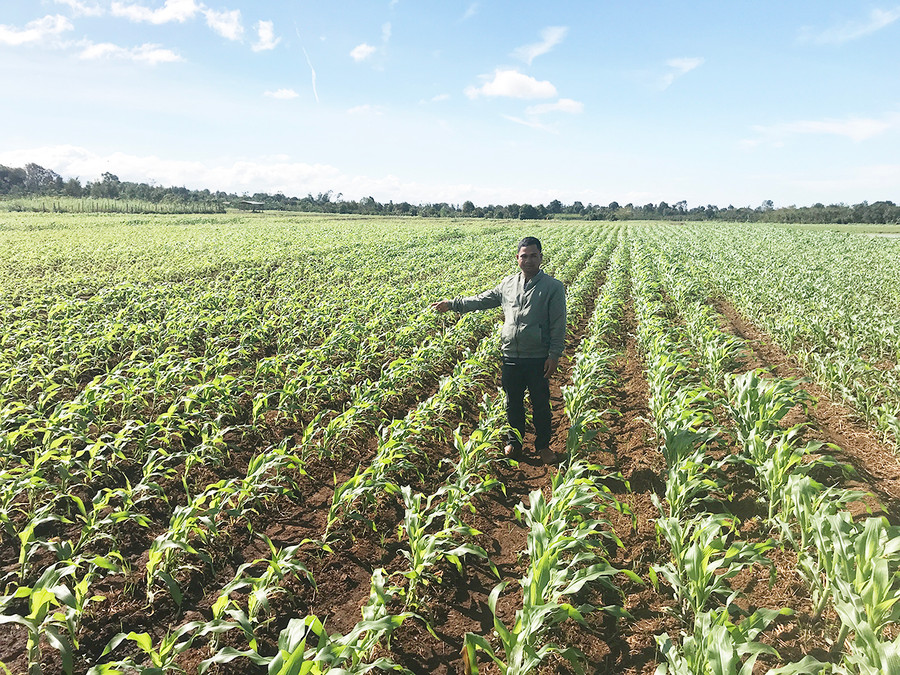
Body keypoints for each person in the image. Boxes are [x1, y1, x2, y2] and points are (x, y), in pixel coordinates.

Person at [430, 236, 566, 463]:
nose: (529, 260)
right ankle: (515, 443)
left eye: (534, 256)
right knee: (513, 402)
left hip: (538, 357)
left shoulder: (553, 287)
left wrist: (554, 355)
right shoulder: (508, 285)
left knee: (540, 403)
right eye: (524, 256)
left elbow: (558, 324)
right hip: (511, 355)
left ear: (541, 257)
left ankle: (543, 446)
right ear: (517, 258)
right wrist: (452, 304)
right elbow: (481, 300)